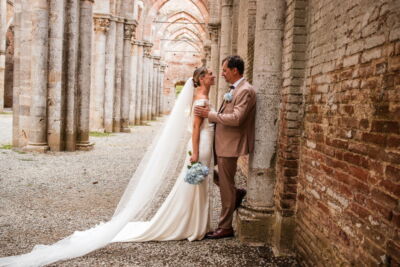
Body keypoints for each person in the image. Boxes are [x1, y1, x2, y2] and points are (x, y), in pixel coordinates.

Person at [0, 67, 216, 266]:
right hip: (200, 144)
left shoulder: (201, 98)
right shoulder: (201, 100)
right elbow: (196, 129)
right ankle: (191, 225)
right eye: (210, 74)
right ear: (201, 78)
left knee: (197, 184)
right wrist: (195, 152)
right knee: (194, 184)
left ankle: (194, 223)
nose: (214, 76)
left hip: (203, 143)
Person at [194, 55, 256, 239]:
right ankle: (235, 194)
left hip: (230, 144)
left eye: (225, 70)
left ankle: (225, 227)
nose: (222, 74)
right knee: (215, 177)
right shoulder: (235, 89)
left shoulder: (245, 90)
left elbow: (237, 119)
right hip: (221, 141)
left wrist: (210, 115)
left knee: (225, 185)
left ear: (235, 70)